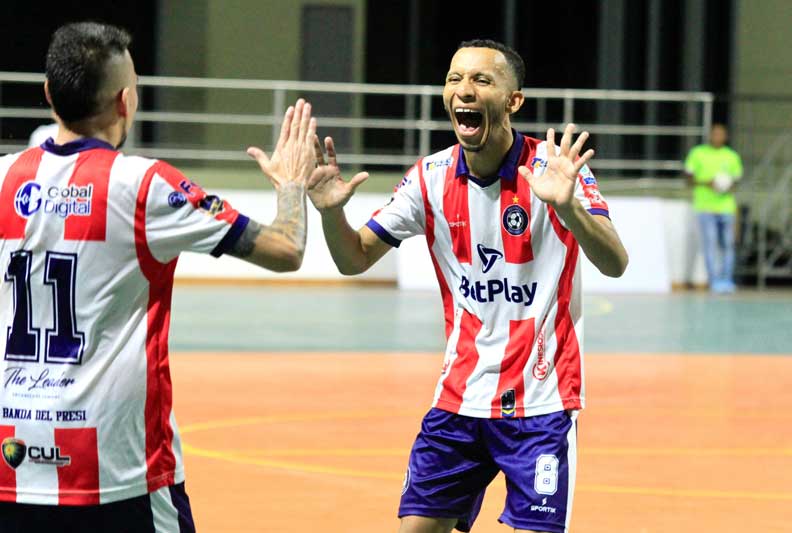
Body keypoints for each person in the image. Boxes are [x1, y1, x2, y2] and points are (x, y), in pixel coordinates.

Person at [0, 22, 316, 532]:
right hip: (118, 470)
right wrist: (291, 184)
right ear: (126, 102)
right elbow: (286, 249)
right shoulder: (144, 187)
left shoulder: (4, 179)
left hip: (11, 462)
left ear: (49, 96)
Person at [307, 39, 628, 533]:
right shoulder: (429, 178)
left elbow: (615, 261)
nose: (464, 90)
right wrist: (331, 213)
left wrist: (568, 208)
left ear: (513, 100)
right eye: (455, 79)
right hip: (458, 401)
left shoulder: (553, 172)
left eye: (481, 80)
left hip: (541, 406)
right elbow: (353, 258)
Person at [684, 123, 743, 293]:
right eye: (714, 134)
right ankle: (714, 281)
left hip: (726, 207)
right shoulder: (698, 153)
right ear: (710, 135)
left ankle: (727, 280)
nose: (717, 137)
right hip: (705, 207)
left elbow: (736, 181)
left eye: (721, 134)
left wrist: (724, 186)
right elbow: (688, 179)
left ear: (725, 137)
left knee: (728, 245)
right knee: (709, 244)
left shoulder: (732, 156)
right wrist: (707, 183)